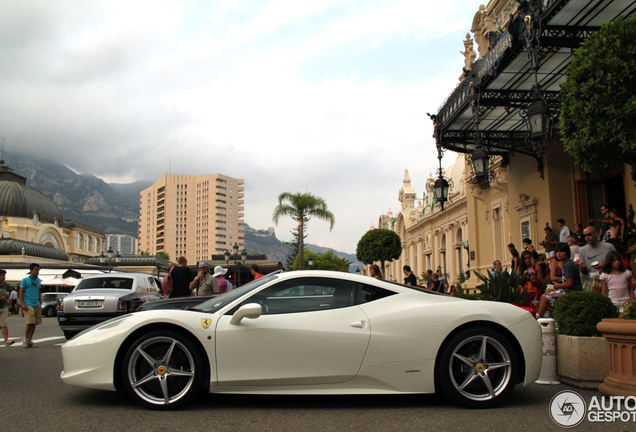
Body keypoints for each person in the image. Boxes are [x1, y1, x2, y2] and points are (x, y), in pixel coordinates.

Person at [536, 243, 582, 319]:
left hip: (572, 292)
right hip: (568, 291)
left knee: (544, 297)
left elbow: (570, 283)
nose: (559, 254)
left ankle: (538, 319)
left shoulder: (568, 265)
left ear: (567, 252)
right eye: (557, 252)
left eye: (561, 251)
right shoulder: (567, 264)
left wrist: (558, 286)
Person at [20, 263, 42, 348]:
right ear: (31, 270)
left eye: (38, 270)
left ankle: (29, 340)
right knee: (30, 322)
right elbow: (21, 291)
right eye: (36, 269)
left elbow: (38, 291)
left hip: (36, 303)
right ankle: (25, 339)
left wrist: (40, 301)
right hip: (28, 303)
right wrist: (22, 303)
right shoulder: (25, 280)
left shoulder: (38, 280)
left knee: (34, 323)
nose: (37, 271)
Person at [0, 270, 14, 346]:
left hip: (3, 306)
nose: (3, 277)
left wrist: (8, 299)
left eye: (4, 275)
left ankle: (6, 340)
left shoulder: (5, 284)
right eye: (2, 275)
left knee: (4, 323)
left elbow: (6, 293)